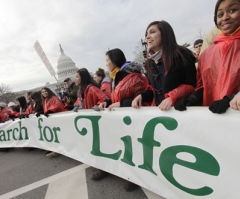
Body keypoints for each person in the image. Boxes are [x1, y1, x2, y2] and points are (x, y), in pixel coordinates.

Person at [174, 0, 240, 114]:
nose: (225, 17)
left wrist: (229, 98)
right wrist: (192, 98)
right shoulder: (206, 54)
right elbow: (203, 86)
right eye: (220, 14)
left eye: (232, 10)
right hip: (214, 120)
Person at [132, 21, 196, 110]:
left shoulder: (182, 54)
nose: (147, 37)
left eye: (152, 32)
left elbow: (193, 85)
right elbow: (153, 91)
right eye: (146, 34)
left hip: (183, 113)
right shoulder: (149, 63)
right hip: (161, 115)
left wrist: (173, 97)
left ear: (164, 34)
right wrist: (141, 96)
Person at [40, 87, 66, 158]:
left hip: (57, 119)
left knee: (59, 135)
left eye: (45, 91)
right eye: (42, 92)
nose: (44, 93)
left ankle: (57, 150)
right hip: (52, 120)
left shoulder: (53, 98)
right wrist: (42, 112)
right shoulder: (45, 100)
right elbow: (47, 109)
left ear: (48, 91)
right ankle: (56, 149)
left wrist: (50, 110)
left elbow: (57, 105)